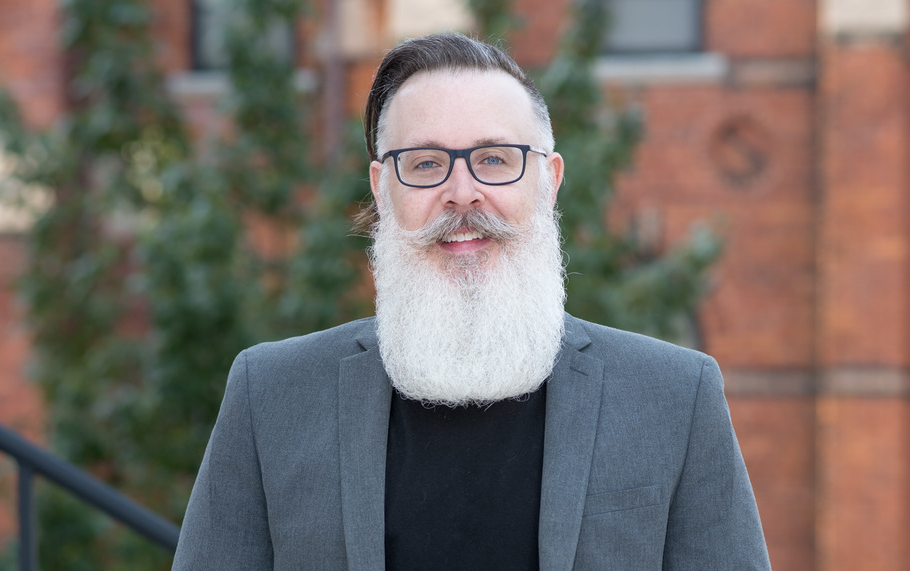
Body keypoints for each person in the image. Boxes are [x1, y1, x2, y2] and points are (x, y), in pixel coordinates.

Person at [172, 33, 771, 570]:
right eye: (425, 163)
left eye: (493, 160)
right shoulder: (270, 396)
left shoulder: (676, 397)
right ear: (382, 189)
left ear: (549, 181)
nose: (463, 193)